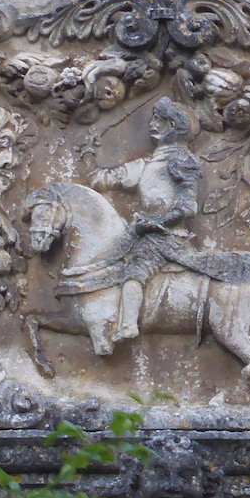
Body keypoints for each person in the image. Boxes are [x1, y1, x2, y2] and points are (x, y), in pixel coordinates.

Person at [57, 97, 205, 343]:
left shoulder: (181, 161)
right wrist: (87, 153)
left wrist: (156, 222)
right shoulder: (147, 164)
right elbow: (102, 180)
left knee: (134, 273)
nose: (152, 124)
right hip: (140, 233)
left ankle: (128, 326)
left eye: (159, 120)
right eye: (154, 118)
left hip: (166, 238)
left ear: (172, 126)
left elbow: (187, 207)